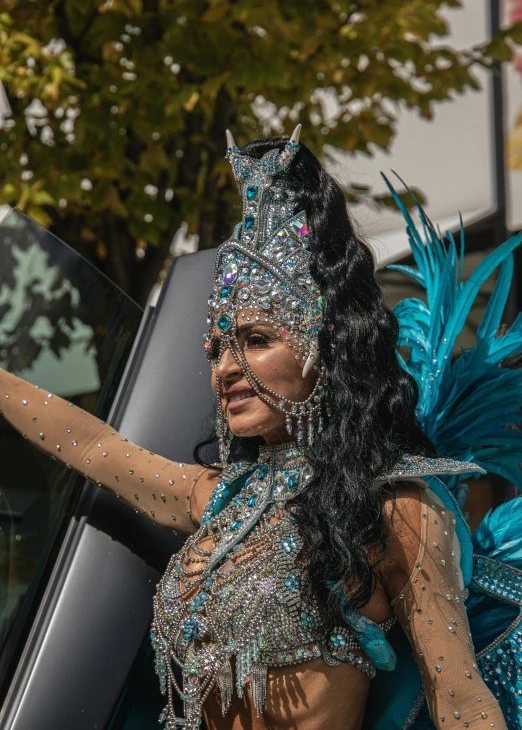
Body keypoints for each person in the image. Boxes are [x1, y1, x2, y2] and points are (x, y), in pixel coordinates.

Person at [1, 126, 521, 730]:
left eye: (255, 340)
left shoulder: (398, 511)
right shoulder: (221, 498)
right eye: (217, 347)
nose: (225, 368)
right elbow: (93, 445)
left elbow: (458, 698)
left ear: (325, 349)